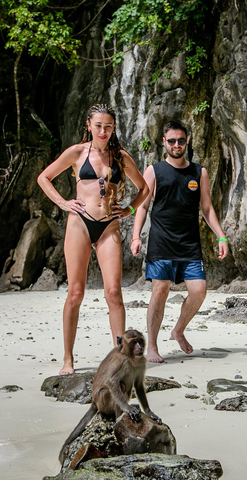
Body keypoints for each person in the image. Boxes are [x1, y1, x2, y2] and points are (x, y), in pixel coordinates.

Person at [37, 104, 148, 375]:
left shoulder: (120, 156)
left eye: (108, 126)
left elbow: (144, 187)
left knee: (114, 293)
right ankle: (67, 359)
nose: (103, 131)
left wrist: (130, 209)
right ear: (89, 125)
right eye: (98, 125)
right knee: (75, 293)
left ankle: (120, 359)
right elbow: (44, 178)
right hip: (80, 225)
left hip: (109, 225)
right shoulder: (77, 152)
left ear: (113, 128)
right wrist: (63, 203)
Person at [131, 120, 228, 363]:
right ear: (164, 142)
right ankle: (152, 346)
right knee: (160, 290)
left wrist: (221, 236)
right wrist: (135, 236)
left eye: (181, 140)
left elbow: (207, 208)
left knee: (199, 290)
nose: (176, 144)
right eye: (172, 140)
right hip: (161, 243)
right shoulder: (154, 171)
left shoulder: (199, 172)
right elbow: (142, 206)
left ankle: (178, 330)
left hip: (189, 245)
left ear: (187, 141)